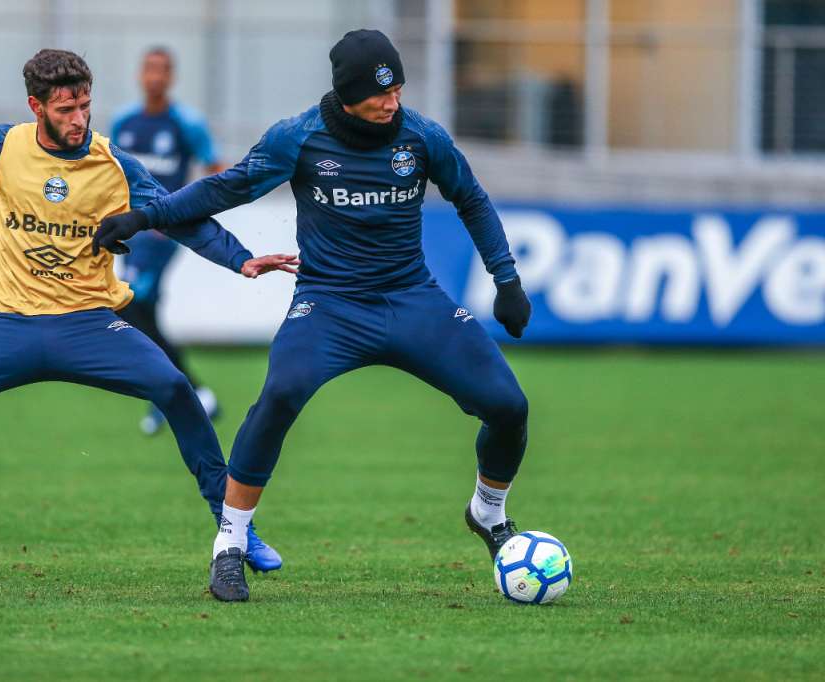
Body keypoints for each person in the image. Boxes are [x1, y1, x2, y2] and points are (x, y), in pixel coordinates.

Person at [0, 49, 290, 592]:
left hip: (89, 325)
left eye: (85, 106)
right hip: (6, 325)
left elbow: (180, 216)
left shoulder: (114, 164)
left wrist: (240, 258)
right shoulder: (5, 145)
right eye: (66, 109)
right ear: (36, 107)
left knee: (174, 387)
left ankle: (233, 530)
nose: (79, 120)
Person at [94, 30, 533, 602]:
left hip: (410, 297)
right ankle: (229, 543)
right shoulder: (299, 138)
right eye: (379, 94)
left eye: (398, 88)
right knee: (278, 396)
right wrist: (143, 216)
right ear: (348, 95)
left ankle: (488, 512)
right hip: (328, 304)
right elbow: (226, 189)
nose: (392, 102)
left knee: (510, 406)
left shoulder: (422, 137)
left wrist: (507, 280)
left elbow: (471, 198)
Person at [110, 47, 225, 435]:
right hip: (131, 231)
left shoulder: (185, 123)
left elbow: (216, 169)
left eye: (162, 70)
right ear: (140, 75)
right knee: (146, 316)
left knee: (130, 305)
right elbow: (112, 172)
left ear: (171, 77)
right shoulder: (124, 121)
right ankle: (168, 398)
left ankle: (192, 391)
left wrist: (185, 209)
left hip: (160, 236)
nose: (154, 77)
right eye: (149, 69)